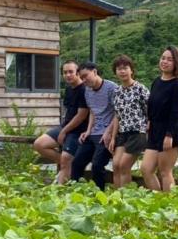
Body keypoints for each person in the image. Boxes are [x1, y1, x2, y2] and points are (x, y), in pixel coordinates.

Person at [141, 46, 178, 191]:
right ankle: (159, 201)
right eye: (163, 58)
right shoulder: (157, 82)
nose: (165, 62)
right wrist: (149, 121)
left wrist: (169, 135)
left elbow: (175, 112)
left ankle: (170, 206)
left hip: (170, 131)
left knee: (165, 172)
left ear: (176, 63)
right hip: (155, 130)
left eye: (170, 59)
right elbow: (152, 105)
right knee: (146, 169)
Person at [32, 60, 88, 184]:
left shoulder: (84, 90)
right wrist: (63, 129)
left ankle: (63, 188)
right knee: (39, 144)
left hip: (78, 130)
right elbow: (68, 111)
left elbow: (81, 116)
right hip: (65, 126)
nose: (68, 75)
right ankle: (69, 164)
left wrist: (64, 131)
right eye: (65, 72)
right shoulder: (69, 89)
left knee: (66, 159)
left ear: (78, 73)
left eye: (71, 72)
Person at [70, 62, 119, 190]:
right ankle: (75, 192)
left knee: (97, 165)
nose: (84, 80)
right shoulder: (87, 90)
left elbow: (118, 112)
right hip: (93, 132)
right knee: (76, 163)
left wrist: (108, 132)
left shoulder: (112, 88)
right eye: (82, 77)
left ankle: (100, 194)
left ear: (95, 72)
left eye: (86, 76)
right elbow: (92, 111)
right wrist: (88, 130)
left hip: (107, 133)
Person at [107, 55, 149, 188]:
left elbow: (152, 109)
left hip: (137, 132)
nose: (122, 71)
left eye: (125, 68)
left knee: (124, 165)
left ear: (132, 70)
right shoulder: (117, 91)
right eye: (119, 69)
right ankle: (116, 198)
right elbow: (117, 115)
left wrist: (149, 126)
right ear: (115, 72)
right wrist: (113, 137)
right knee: (116, 165)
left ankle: (126, 198)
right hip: (123, 133)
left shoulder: (140, 89)